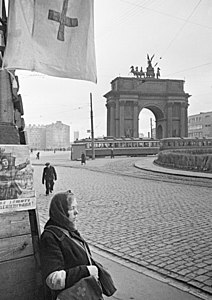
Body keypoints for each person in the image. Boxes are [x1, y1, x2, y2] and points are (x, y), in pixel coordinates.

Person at [40, 191, 103, 300]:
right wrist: (86, 271)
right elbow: (53, 279)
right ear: (61, 211)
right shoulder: (50, 237)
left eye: (76, 208)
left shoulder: (68, 229)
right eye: (72, 208)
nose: (76, 212)